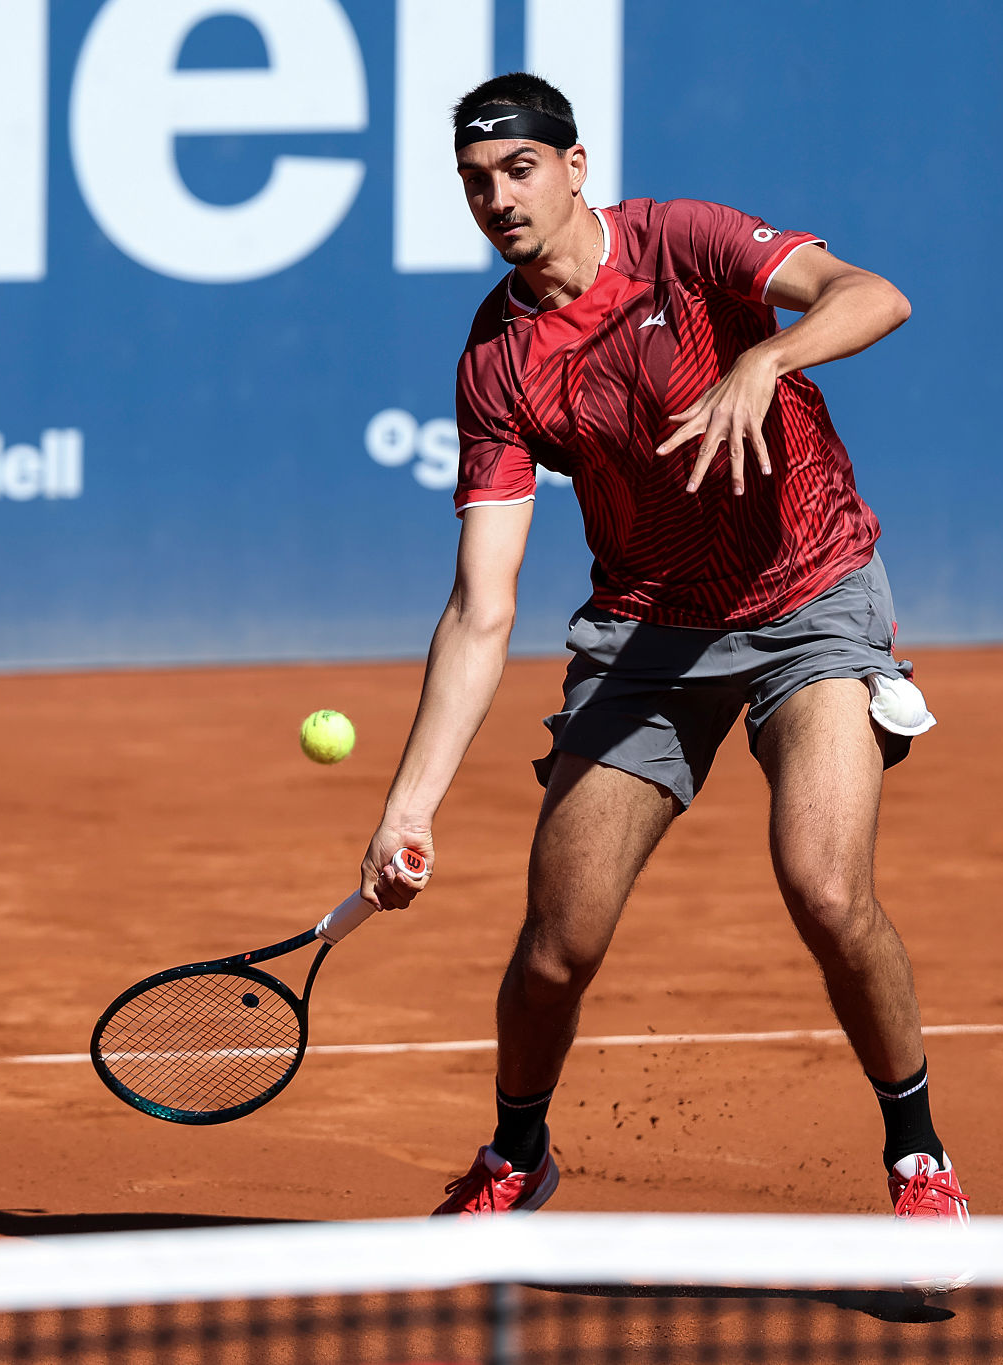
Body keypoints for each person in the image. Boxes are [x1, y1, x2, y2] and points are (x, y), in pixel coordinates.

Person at [352, 72, 965, 1222]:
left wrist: (766, 358)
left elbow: (873, 295)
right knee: (556, 947)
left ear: (574, 168)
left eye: (519, 169)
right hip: (645, 631)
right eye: (475, 181)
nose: (498, 199)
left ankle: (918, 1161)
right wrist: (408, 807)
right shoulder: (497, 361)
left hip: (807, 598)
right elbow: (480, 606)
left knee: (825, 888)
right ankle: (514, 1156)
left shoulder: (682, 243)